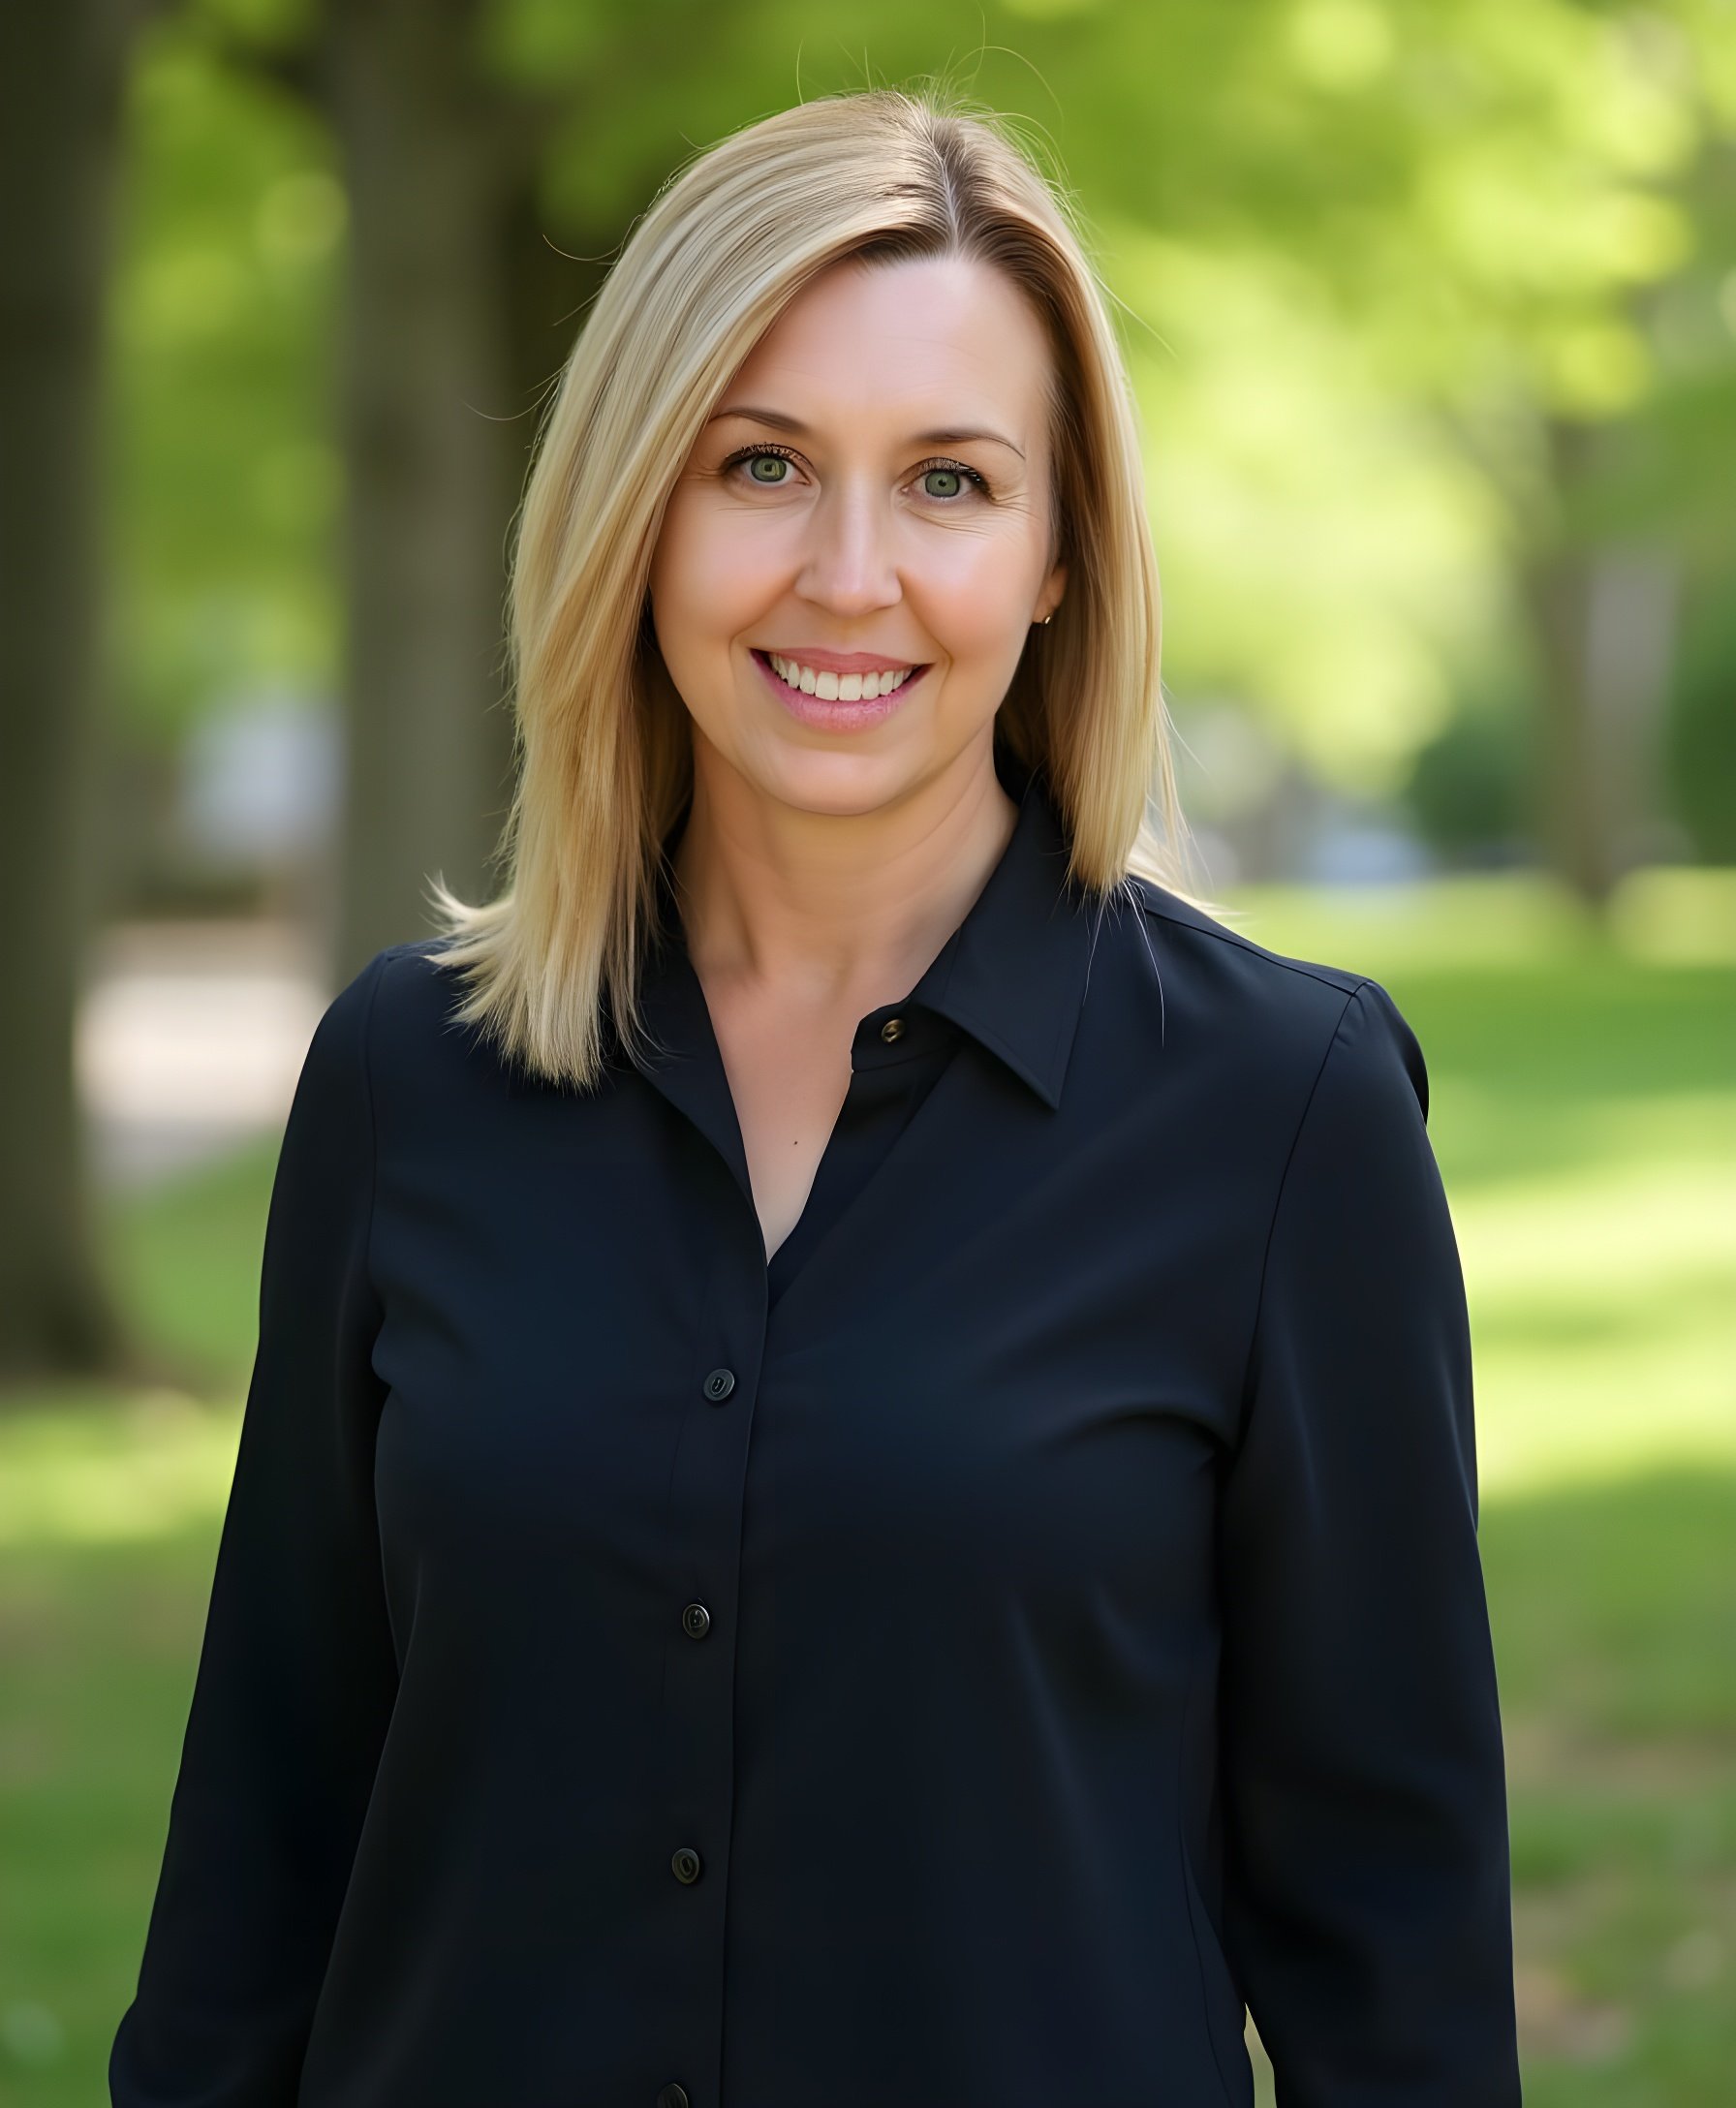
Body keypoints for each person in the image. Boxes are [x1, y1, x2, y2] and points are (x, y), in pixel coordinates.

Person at [110, 85, 1521, 2108]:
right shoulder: (406, 1081)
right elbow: (260, 1861)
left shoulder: (1285, 1114)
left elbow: (1397, 1966)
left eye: (949, 481)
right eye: (761, 464)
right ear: (636, 510)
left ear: (1057, 556)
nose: (848, 575)